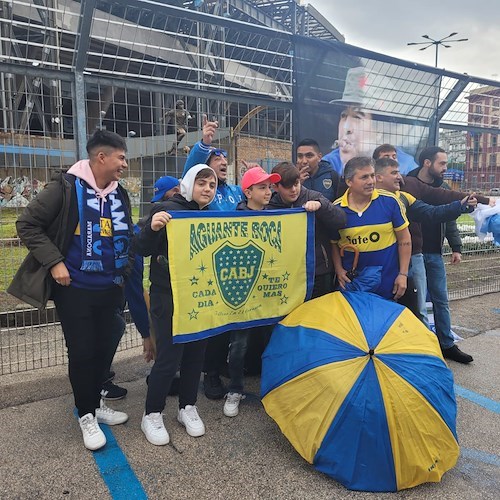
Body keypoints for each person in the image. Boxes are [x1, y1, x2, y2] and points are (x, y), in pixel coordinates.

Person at [8, 130, 133, 451]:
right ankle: (87, 414)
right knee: (82, 352)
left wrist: (125, 272)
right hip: (74, 289)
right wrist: (54, 263)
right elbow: (27, 225)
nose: (125, 164)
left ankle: (94, 401)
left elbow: (127, 235)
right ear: (101, 157)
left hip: (110, 288)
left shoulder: (120, 195)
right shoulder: (64, 187)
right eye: (120, 157)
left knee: (105, 349)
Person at [134, 164, 217, 446]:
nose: (207, 189)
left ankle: (187, 406)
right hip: (168, 295)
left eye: (212, 185)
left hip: (200, 294)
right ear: (188, 184)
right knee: (169, 355)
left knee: (196, 352)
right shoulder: (167, 209)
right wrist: (153, 228)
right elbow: (141, 247)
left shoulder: (214, 216)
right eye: (202, 183)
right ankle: (152, 413)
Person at [372, 144, 491, 327]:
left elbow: (434, 211)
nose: (394, 162)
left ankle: (436, 346)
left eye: (395, 157)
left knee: (422, 306)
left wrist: (467, 205)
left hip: (416, 254)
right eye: (387, 158)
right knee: (383, 307)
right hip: (381, 261)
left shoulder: (406, 190)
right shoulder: (363, 199)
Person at [182, 116, 244, 400]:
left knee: (230, 323)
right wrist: (205, 143)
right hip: (206, 266)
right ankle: (210, 374)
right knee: (211, 326)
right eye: (214, 158)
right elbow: (192, 169)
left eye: (223, 159)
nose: (221, 161)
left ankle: (223, 365)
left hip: (232, 266)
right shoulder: (204, 194)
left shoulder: (234, 192)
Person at [221, 166, 282, 418]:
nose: (268, 192)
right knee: (238, 345)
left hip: (268, 293)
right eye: (262, 187)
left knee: (272, 342)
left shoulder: (278, 217)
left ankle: (273, 388)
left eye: (269, 187)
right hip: (242, 293)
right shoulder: (232, 219)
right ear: (247, 192)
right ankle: (235, 389)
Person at [407, 147, 475, 363]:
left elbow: (449, 219)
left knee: (441, 301)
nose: (446, 168)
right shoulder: (408, 183)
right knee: (417, 304)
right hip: (412, 254)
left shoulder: (443, 188)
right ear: (427, 163)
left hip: (434, 253)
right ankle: (423, 347)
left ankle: (446, 344)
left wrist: (456, 247)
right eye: (442, 164)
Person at [332, 156, 411, 301]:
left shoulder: (390, 201)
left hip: (388, 284)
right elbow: (334, 244)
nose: (370, 181)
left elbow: (404, 239)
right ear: (349, 181)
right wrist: (338, 269)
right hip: (353, 285)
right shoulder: (336, 209)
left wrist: (403, 274)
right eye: (364, 177)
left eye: (372, 176)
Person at [269, 162, 347, 299]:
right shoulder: (271, 205)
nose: (293, 189)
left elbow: (341, 220)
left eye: (296, 183)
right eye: (288, 186)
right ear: (276, 187)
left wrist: (321, 206)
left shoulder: (314, 196)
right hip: (287, 273)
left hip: (318, 271)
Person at [322, 67, 418, 177]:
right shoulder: (328, 164)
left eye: (358, 117)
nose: (346, 128)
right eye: (344, 116)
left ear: (380, 129)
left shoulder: (406, 167)